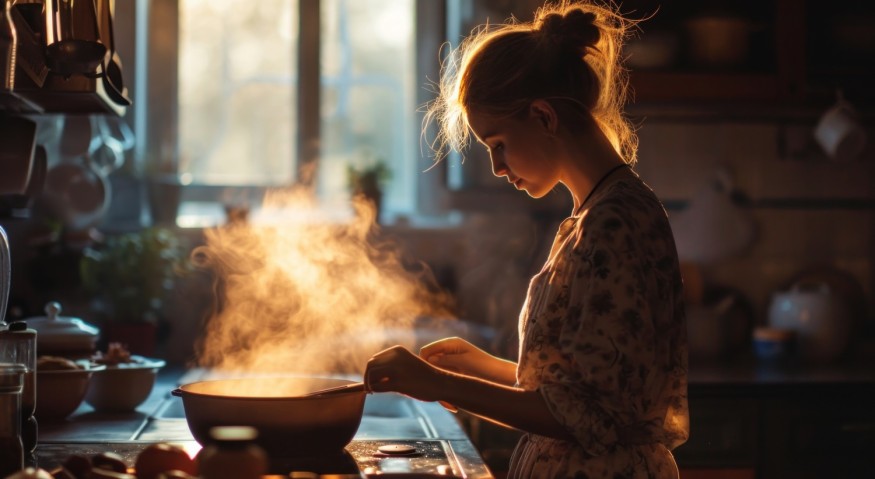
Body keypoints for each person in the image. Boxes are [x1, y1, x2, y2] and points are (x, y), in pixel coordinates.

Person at [364, 1, 689, 477]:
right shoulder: (596, 214)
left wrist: (439, 384)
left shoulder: (613, 223)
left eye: (497, 144)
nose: (497, 167)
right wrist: (481, 368)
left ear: (543, 117)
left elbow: (590, 419)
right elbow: (580, 388)